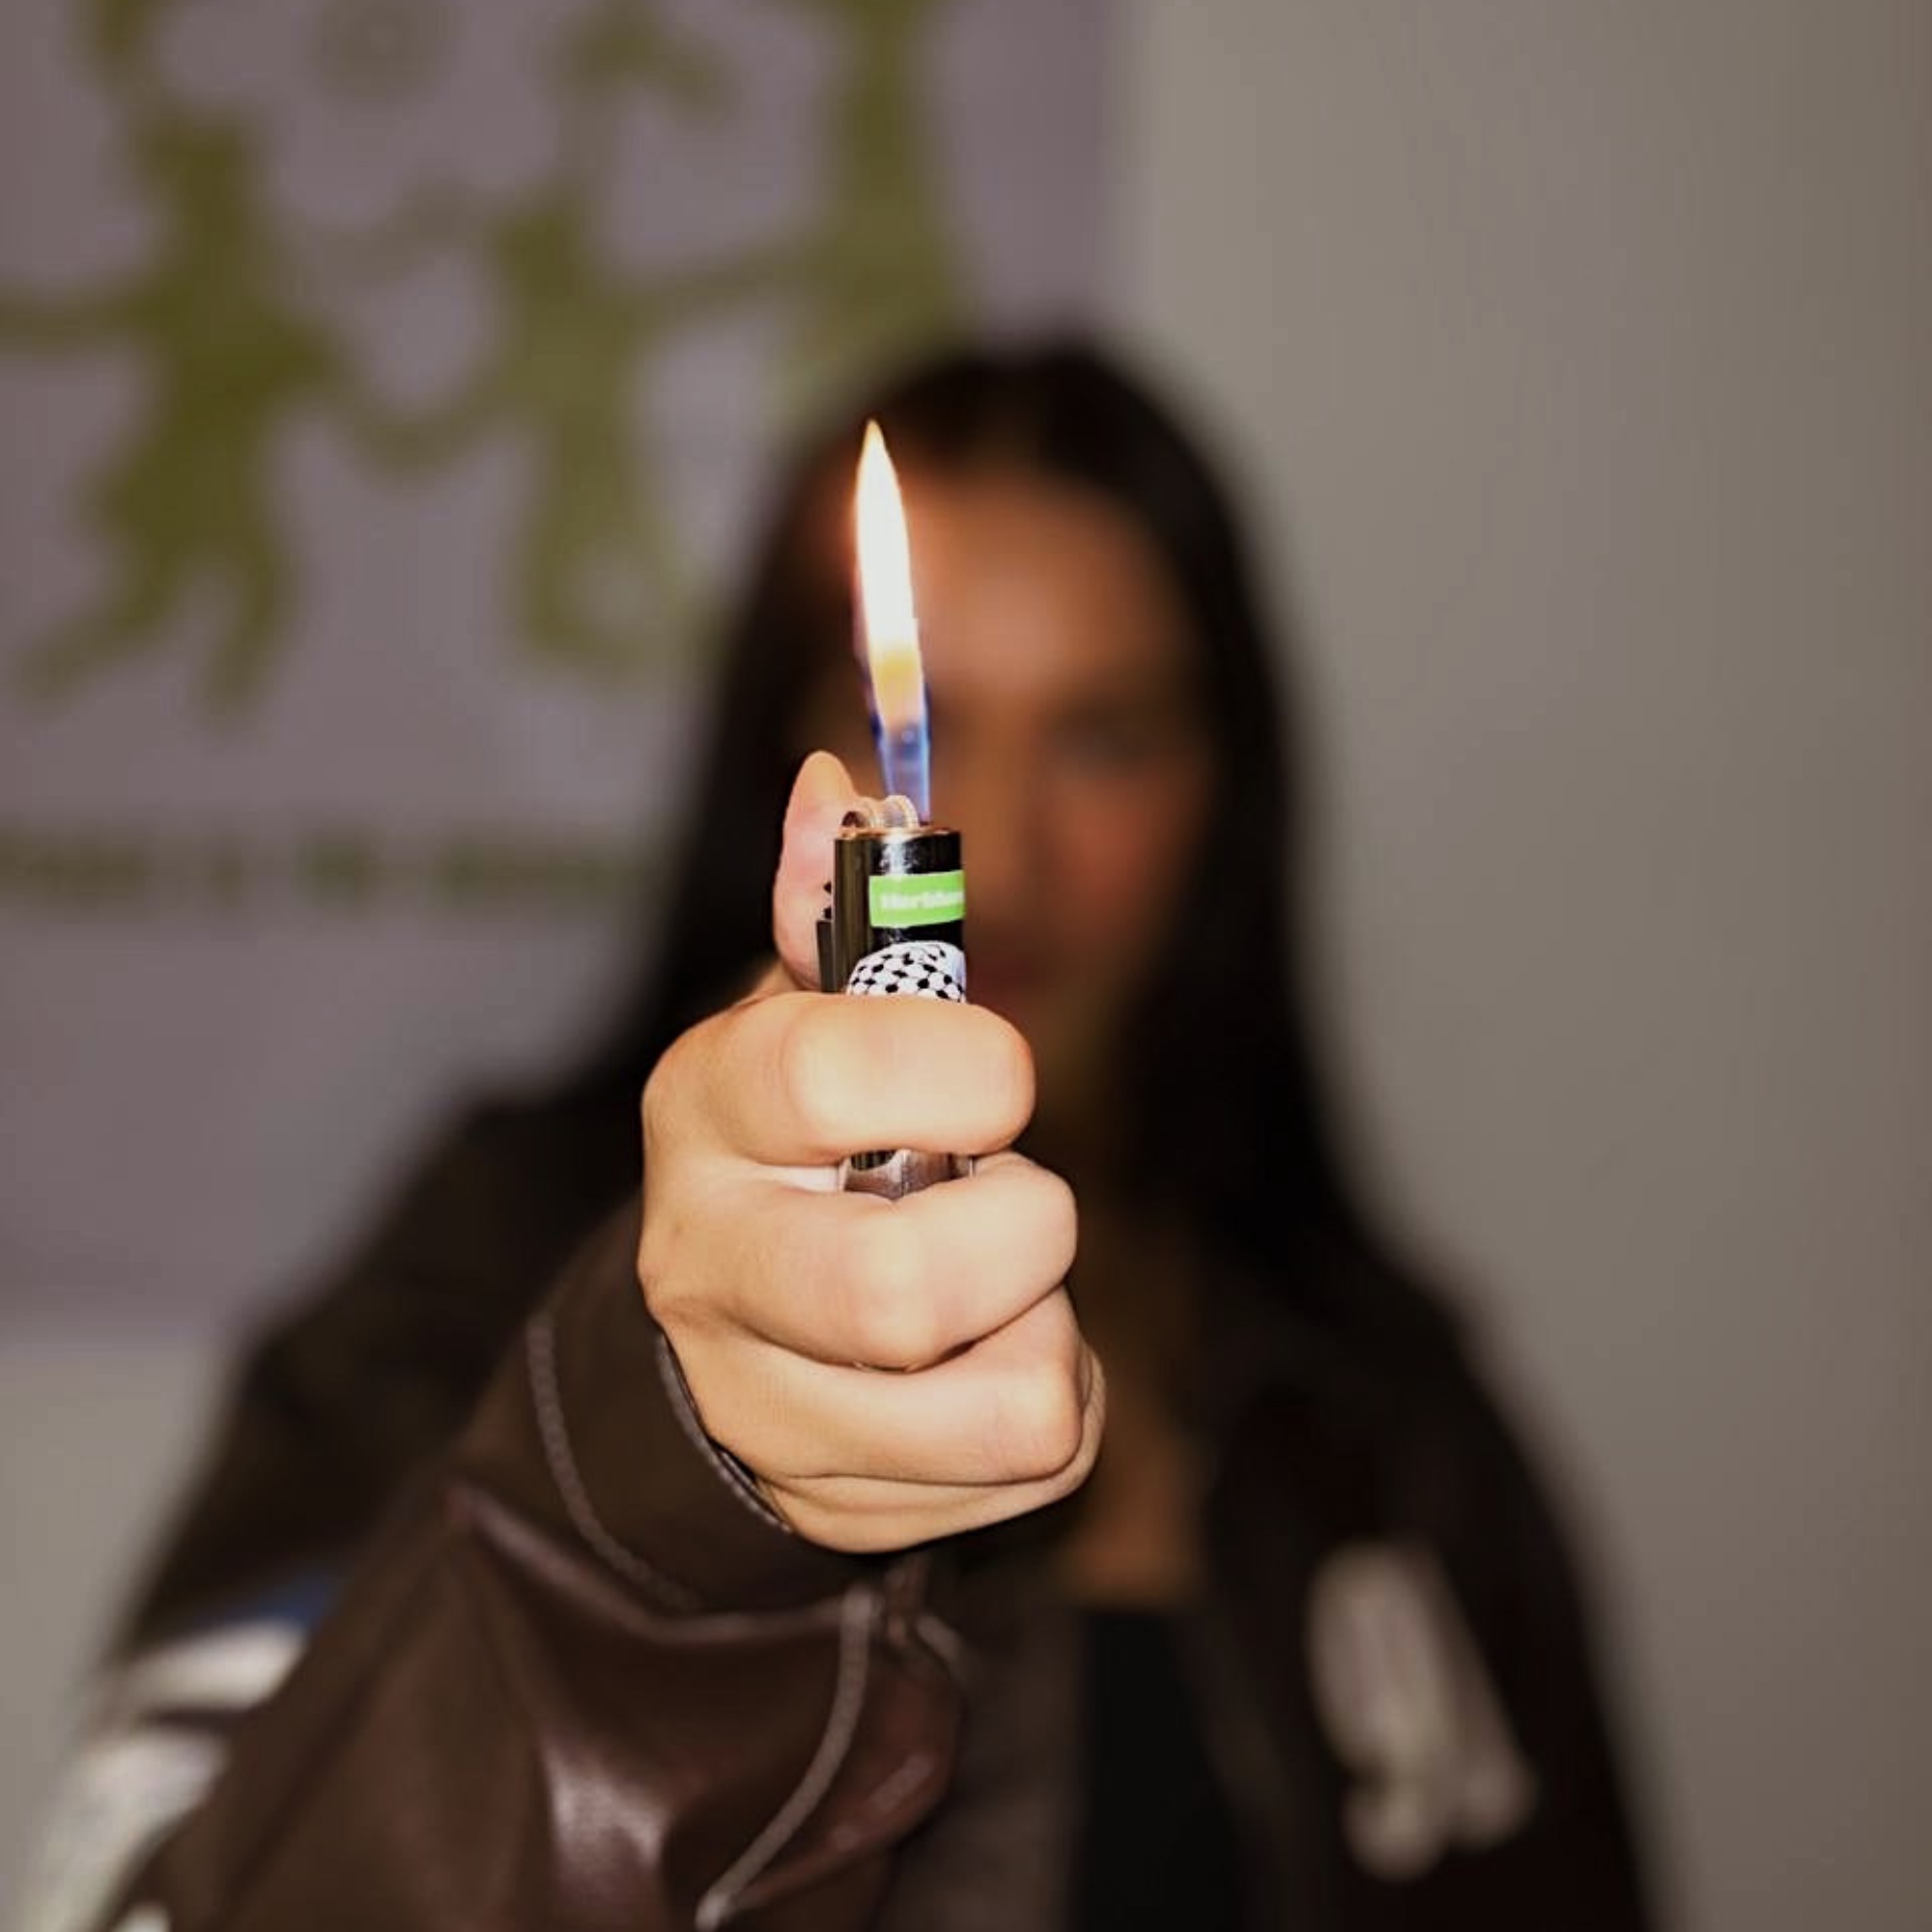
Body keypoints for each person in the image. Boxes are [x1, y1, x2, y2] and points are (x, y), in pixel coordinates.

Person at [24, 341, 1653, 1932]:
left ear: (1226, 795)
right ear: (797, 783)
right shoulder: (498, 1257)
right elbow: (138, 1891)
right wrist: (646, 1499)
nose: (1003, 852)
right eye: (932, 727)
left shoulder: (1379, 1403)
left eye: (1107, 737)